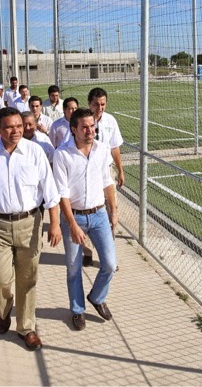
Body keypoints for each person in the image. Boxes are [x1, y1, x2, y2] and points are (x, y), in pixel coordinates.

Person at [0, 107, 61, 351]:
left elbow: (50, 191)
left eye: (19, 126)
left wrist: (55, 224)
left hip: (30, 223)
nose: (15, 131)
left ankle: (26, 327)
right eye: (9, 126)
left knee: (28, 279)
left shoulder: (35, 152)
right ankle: (4, 309)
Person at [53, 108, 118, 330]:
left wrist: (113, 210)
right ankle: (77, 310)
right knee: (73, 268)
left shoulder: (102, 150)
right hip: (75, 216)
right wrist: (71, 224)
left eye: (92, 126)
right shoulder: (62, 154)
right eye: (85, 127)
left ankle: (97, 297)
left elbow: (107, 181)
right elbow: (62, 194)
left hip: (99, 215)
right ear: (74, 129)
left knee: (109, 264)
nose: (90, 131)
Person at [84, 88, 125, 267]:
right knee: (86, 210)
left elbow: (115, 147)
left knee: (111, 212)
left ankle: (108, 255)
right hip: (87, 172)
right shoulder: (83, 121)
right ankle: (86, 251)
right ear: (89, 103)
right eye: (96, 104)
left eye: (102, 104)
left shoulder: (110, 121)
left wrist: (120, 170)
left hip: (107, 171)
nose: (99, 108)